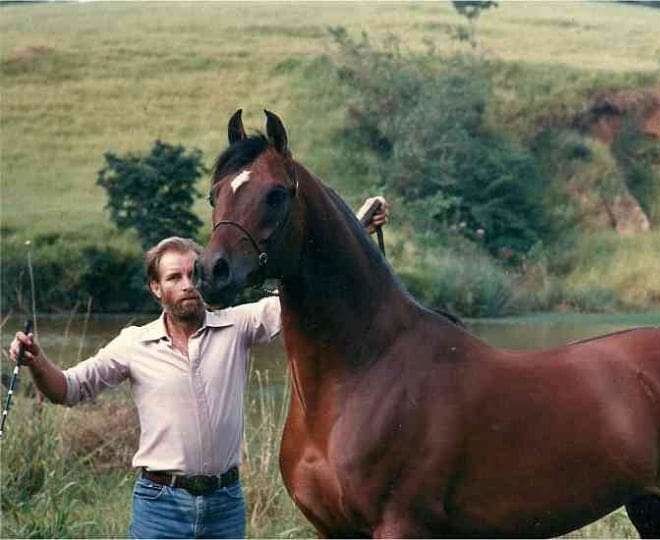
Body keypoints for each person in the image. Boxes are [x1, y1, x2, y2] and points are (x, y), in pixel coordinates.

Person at [8, 197, 388, 539]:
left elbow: (302, 295)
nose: (188, 284)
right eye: (174, 277)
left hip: (224, 504)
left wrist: (354, 229)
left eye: (193, 274)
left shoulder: (238, 325)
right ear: (156, 288)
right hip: (159, 505)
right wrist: (36, 361)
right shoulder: (133, 344)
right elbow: (67, 389)